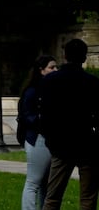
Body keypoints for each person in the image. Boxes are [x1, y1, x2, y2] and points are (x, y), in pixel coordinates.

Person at [39, 38, 99, 209]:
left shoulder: (50, 81)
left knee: (53, 197)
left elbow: (45, 113)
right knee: (88, 198)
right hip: (87, 142)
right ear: (84, 58)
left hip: (60, 143)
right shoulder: (92, 82)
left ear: (64, 56)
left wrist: (50, 138)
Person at [17, 54, 57, 210]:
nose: (55, 70)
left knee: (45, 183)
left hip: (48, 137)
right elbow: (27, 116)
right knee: (34, 181)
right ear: (41, 70)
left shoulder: (50, 89)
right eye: (51, 67)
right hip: (38, 138)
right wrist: (43, 120)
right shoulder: (33, 91)